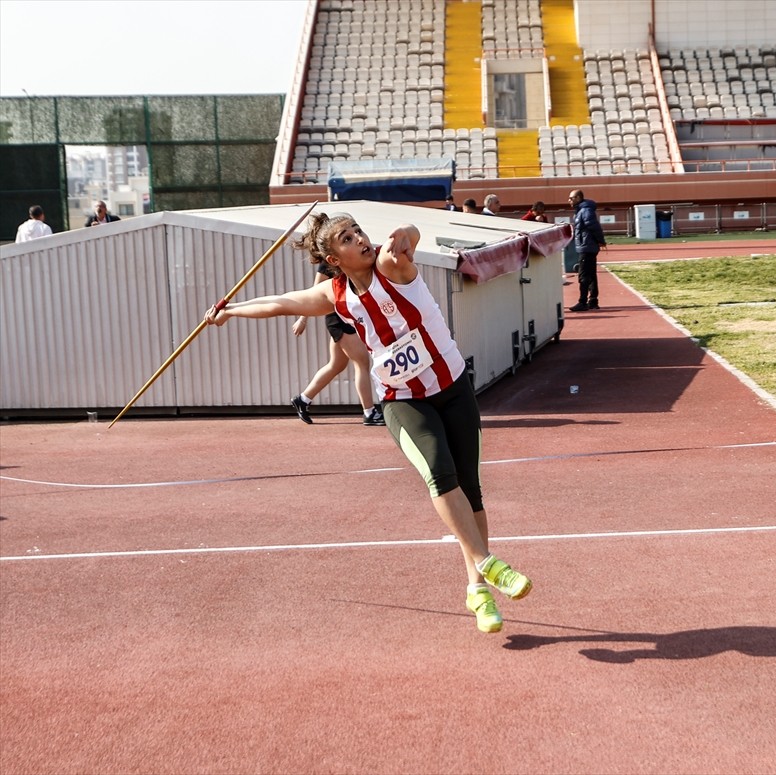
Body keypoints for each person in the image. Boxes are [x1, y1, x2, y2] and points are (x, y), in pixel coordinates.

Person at [204, 212, 532, 633]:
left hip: (452, 388)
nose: (359, 238)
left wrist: (405, 233)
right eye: (346, 237)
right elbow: (281, 303)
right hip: (403, 399)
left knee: (471, 489)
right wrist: (231, 310)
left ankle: (477, 589)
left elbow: (411, 236)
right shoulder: (335, 294)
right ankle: (489, 566)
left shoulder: (391, 265)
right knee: (438, 471)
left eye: (358, 230)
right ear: (334, 259)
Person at [289, 261, 385, 426]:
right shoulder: (329, 261)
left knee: (337, 365)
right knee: (362, 362)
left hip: (350, 316)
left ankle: (303, 399)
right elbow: (313, 294)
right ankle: (369, 412)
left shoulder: (354, 256)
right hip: (339, 319)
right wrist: (303, 318)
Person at [567, 189, 606, 312]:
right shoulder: (581, 211)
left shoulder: (585, 211)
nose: (569, 200)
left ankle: (583, 302)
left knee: (584, 275)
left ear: (578, 198)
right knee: (591, 274)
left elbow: (594, 226)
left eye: (571, 198)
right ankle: (593, 301)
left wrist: (601, 240)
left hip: (587, 247)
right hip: (586, 246)